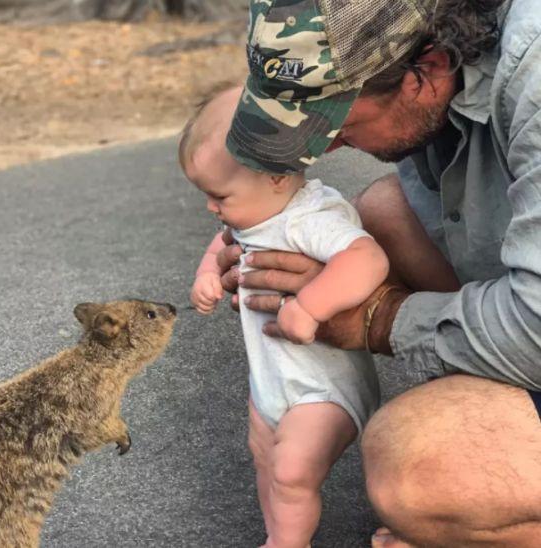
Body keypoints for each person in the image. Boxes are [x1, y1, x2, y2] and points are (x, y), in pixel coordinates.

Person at [216, 0, 541, 546]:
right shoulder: (445, 53)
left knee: (416, 471)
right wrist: (276, 228)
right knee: (380, 216)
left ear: (428, 69)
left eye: (332, 125)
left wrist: (380, 318)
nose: (318, 150)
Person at [181, 86, 390, 547]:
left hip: (323, 387)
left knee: (293, 473)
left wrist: (310, 307)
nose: (212, 207)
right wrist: (206, 274)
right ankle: (278, 534)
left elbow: (366, 258)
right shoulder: (253, 212)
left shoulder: (310, 217)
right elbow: (225, 238)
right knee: (268, 463)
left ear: (276, 176)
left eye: (219, 195)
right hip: (272, 381)